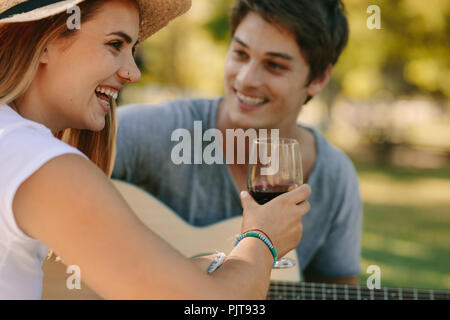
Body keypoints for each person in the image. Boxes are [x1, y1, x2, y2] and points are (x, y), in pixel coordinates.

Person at [0, 0, 312, 300]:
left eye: (132, 50)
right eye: (115, 45)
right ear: (45, 41)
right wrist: (262, 238)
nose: (133, 72)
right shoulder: (44, 165)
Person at [113, 0, 362, 285]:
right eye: (241, 54)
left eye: (274, 65)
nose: (245, 79)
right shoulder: (155, 131)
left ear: (318, 78)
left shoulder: (333, 176)